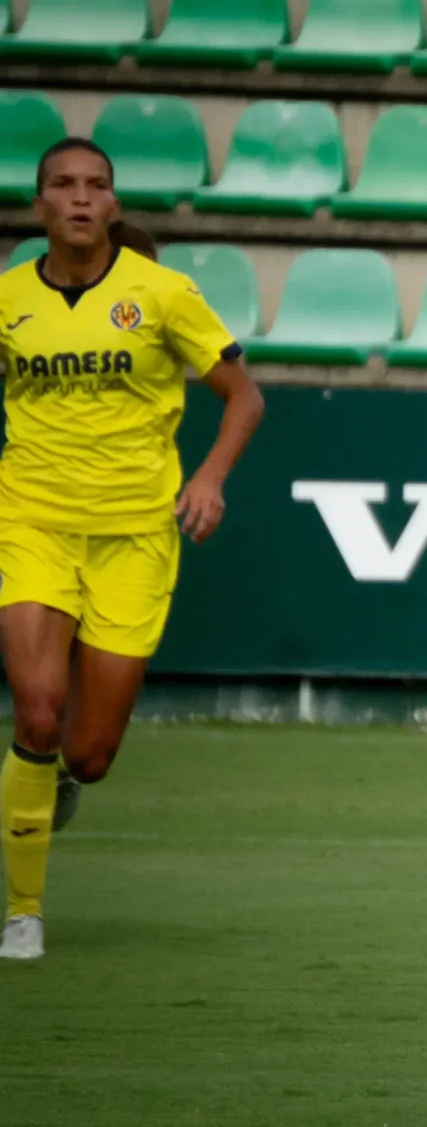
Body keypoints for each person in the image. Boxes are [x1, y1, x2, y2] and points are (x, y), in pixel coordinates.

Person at [0, 138, 265, 962]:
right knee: (37, 708)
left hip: (135, 535)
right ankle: (23, 912)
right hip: (32, 520)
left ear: (113, 204)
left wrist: (209, 477)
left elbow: (244, 396)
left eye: (96, 185)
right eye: (63, 184)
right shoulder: (7, 298)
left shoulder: (161, 293)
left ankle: (57, 778)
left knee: (89, 752)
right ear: (40, 204)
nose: (81, 197)